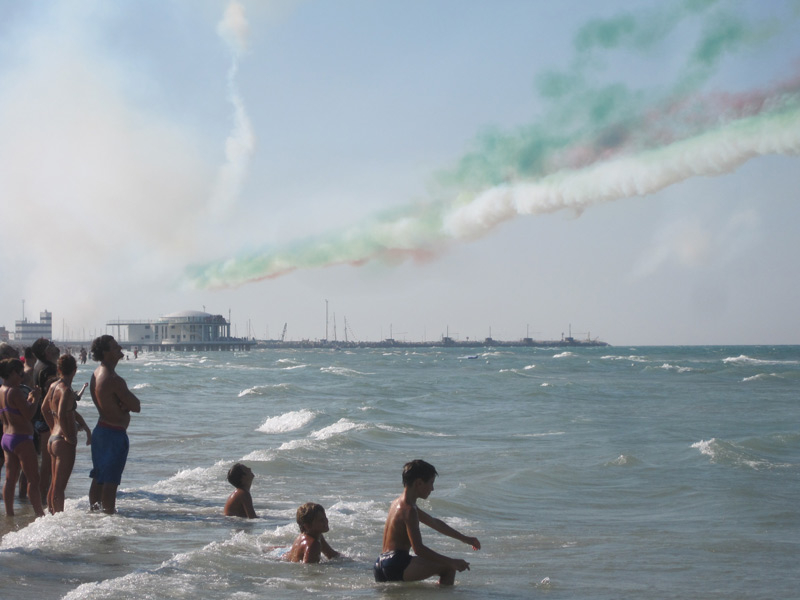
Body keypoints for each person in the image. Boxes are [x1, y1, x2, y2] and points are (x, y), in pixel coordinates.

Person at [374, 459, 480, 586]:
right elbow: (419, 549)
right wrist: (452, 562)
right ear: (419, 483)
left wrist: (466, 539)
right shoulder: (409, 510)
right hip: (397, 564)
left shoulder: (398, 503)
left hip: (380, 565)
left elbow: (434, 523)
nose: (433, 488)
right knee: (448, 569)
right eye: (431, 483)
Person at [88, 335, 140, 514]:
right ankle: (108, 517)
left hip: (101, 430)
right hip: (113, 434)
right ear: (106, 352)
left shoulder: (96, 373)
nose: (119, 347)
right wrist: (125, 404)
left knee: (98, 477)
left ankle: (94, 513)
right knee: (110, 482)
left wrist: (122, 403)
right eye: (114, 346)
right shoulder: (114, 379)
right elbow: (136, 406)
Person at [43, 354, 91, 513]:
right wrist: (68, 436)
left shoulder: (53, 386)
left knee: (54, 484)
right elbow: (63, 413)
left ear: (59, 369)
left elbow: (45, 409)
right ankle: (58, 519)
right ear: (75, 370)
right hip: (63, 442)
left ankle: (50, 516)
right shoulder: (66, 390)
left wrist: (53, 428)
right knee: (59, 487)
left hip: (52, 439)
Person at [0, 358, 45, 517]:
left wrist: (30, 400)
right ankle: (40, 514)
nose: (21, 377)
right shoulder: (15, 391)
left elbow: (16, 410)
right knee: (34, 478)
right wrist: (37, 397)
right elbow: (28, 415)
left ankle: (9, 514)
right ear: (12, 373)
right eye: (20, 374)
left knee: (10, 479)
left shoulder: (2, 390)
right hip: (21, 439)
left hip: (7, 438)